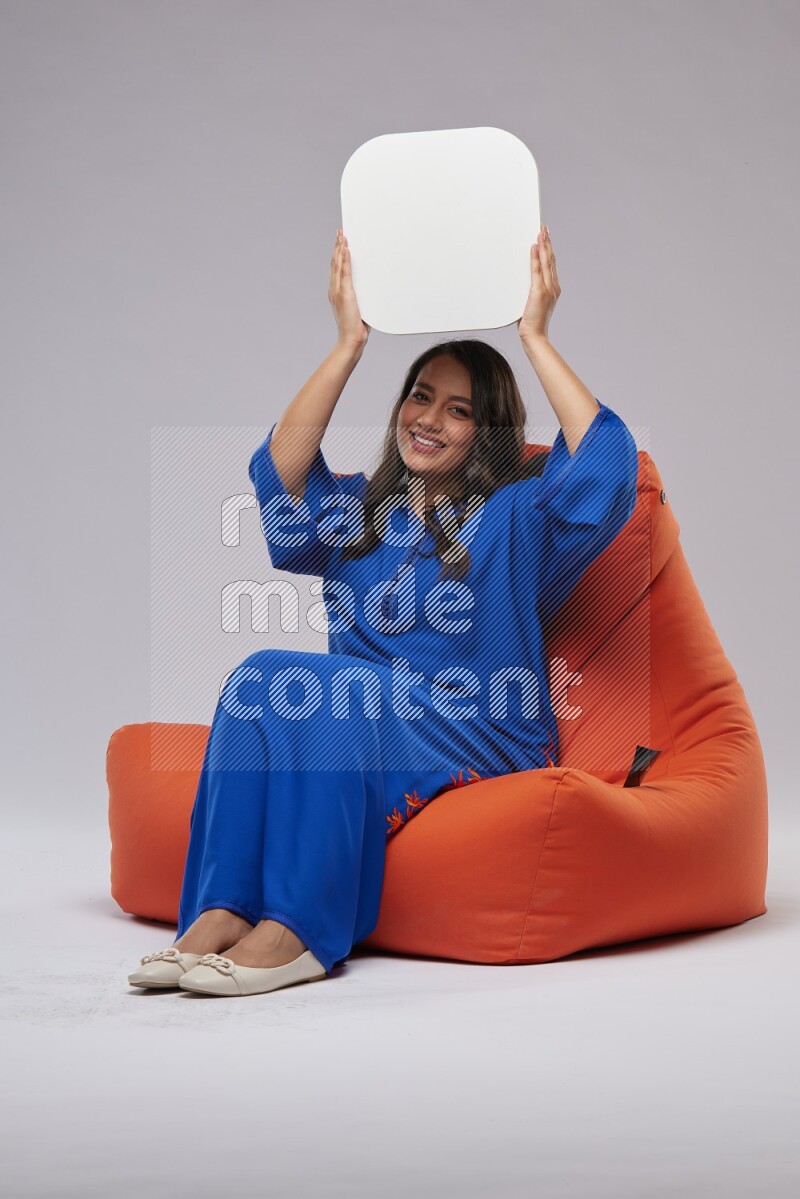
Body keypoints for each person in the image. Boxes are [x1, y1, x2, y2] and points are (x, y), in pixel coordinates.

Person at [127, 224, 639, 997]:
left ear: (487, 433)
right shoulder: (364, 517)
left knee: (332, 687)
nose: (429, 418)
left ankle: (302, 930)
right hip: (363, 718)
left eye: (459, 409)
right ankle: (220, 909)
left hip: (483, 727)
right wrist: (346, 346)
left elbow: (604, 463)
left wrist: (534, 335)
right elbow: (281, 472)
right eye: (420, 396)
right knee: (256, 676)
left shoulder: (519, 514)